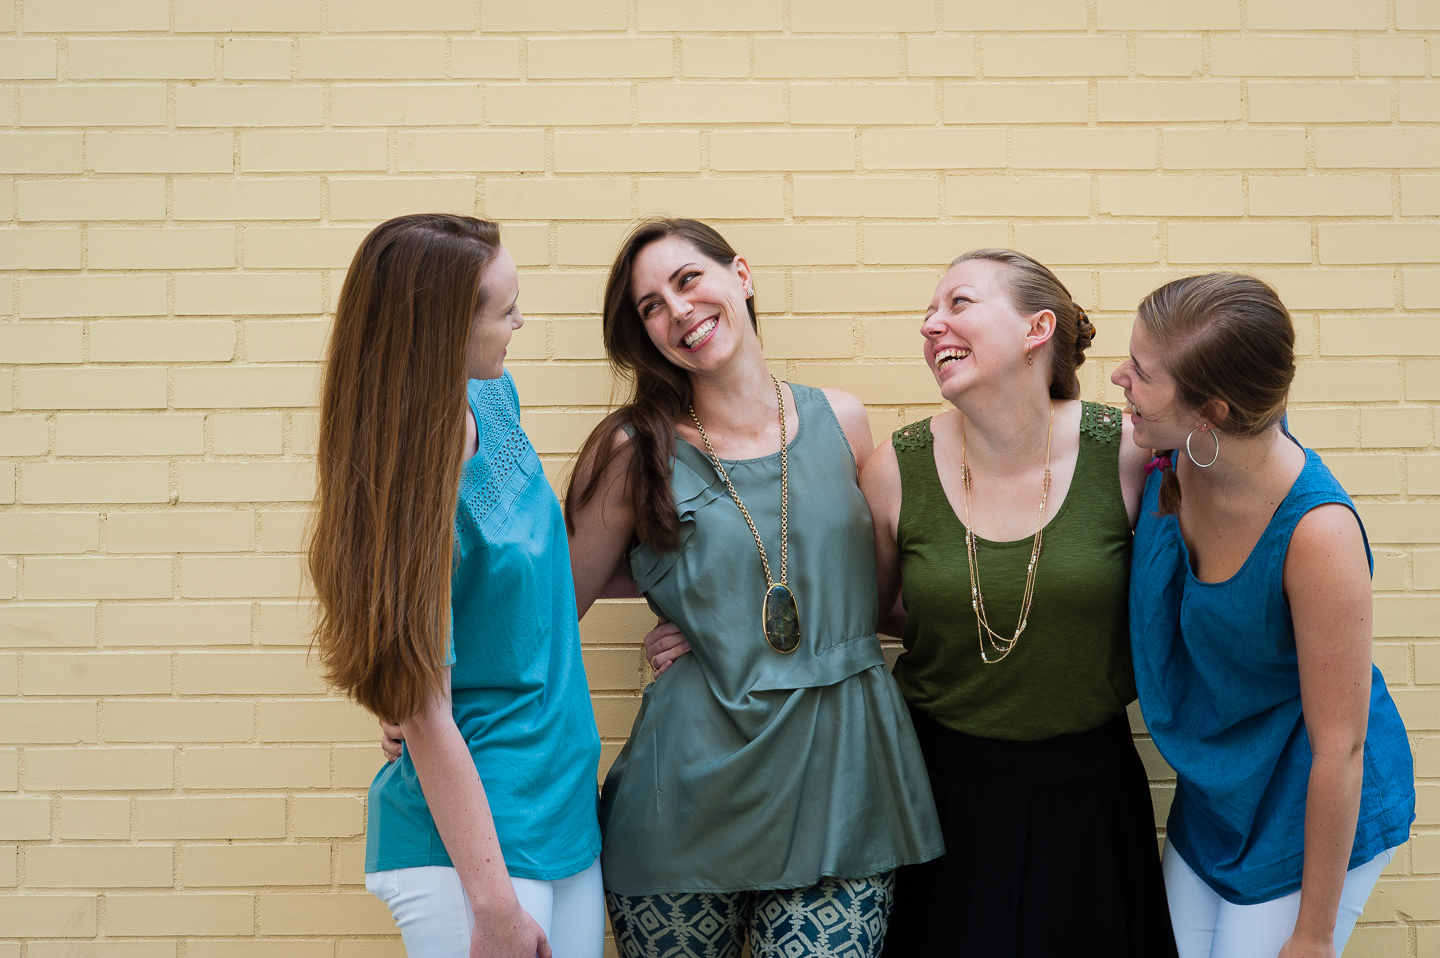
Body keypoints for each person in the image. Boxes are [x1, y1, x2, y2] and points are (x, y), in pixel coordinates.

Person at [563, 218, 945, 957]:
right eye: (650, 307)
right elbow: (544, 608)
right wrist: (432, 697)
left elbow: (870, 595)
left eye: (686, 281)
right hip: (684, 797)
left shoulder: (843, 420)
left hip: (843, 785)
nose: (677, 311)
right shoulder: (631, 448)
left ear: (740, 273)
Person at [861, 249, 1178, 956]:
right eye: (929, 312)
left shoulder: (1126, 452)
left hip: (1089, 799)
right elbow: (868, 616)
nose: (930, 324)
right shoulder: (893, 467)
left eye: (959, 304)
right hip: (936, 798)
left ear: (1038, 329)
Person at [311, 214, 604, 958]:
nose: (520, 323)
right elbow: (425, 706)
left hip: (558, 809)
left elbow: (533, 571)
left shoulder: (492, 400)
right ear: (444, 329)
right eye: (505, 311)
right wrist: (493, 907)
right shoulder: (408, 488)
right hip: (475, 850)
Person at [1114, 273, 1415, 958]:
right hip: (1220, 797)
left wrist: (1312, 934)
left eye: (1142, 373)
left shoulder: (1316, 535)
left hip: (1306, 805)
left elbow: (1340, 747)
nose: (1118, 377)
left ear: (1209, 413)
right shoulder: (1171, 453)